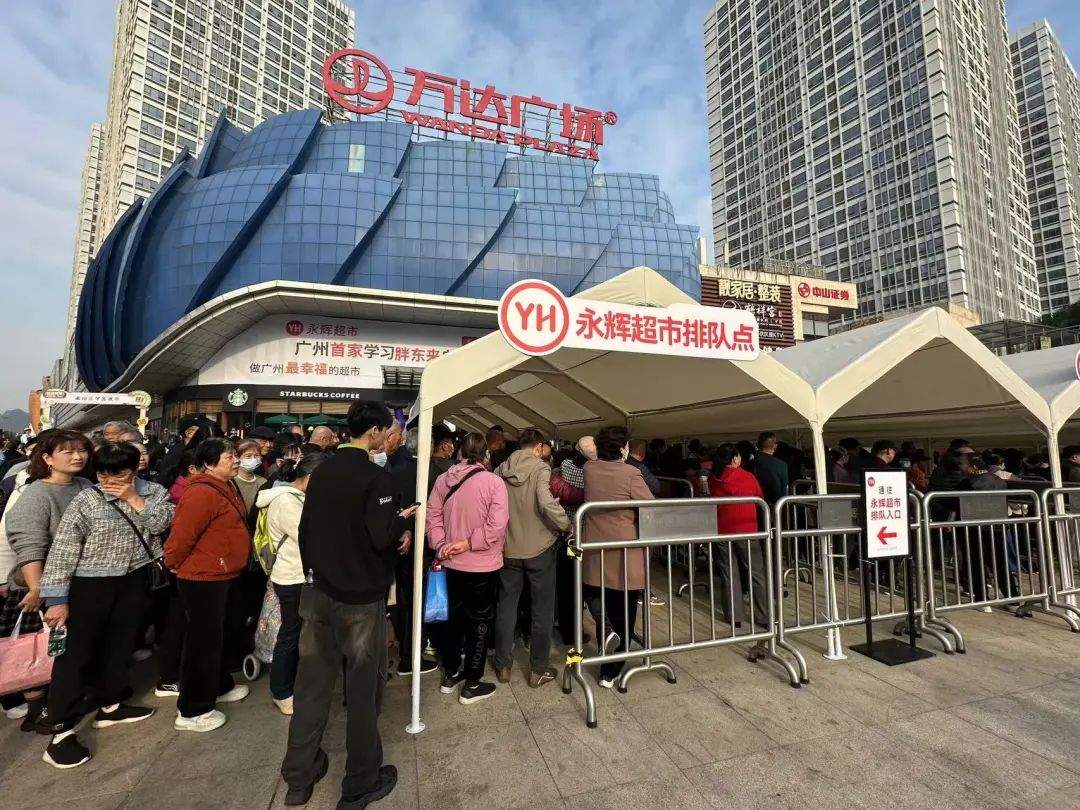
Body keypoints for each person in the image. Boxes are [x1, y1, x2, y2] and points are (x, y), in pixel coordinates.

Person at [280, 401, 402, 809]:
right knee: (363, 691)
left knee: (311, 687)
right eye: (388, 429)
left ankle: (298, 777)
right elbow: (381, 537)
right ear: (375, 432)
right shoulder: (376, 478)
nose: (390, 436)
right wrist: (401, 524)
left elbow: (306, 530)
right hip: (361, 600)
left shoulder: (322, 473)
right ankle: (361, 780)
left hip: (317, 593)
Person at [38, 443, 174, 768]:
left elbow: (161, 524)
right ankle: (61, 729)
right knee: (76, 656)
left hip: (135, 580)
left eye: (119, 473)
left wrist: (133, 498)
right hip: (89, 585)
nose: (110, 480)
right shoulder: (87, 499)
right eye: (103, 474)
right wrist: (56, 599)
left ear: (136, 469)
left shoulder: (154, 492)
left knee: (120, 645)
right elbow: (64, 548)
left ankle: (111, 703)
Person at [4, 430, 96, 731]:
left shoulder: (84, 485)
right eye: (68, 451)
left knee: (65, 648)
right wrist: (38, 588)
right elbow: (29, 545)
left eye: (82, 450)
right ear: (47, 458)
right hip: (45, 587)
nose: (78, 456)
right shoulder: (37, 494)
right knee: (42, 648)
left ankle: (63, 702)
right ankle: (41, 710)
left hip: (78, 581)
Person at [165, 438, 252, 733]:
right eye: (229, 457)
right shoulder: (201, 492)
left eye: (235, 455)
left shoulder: (226, 485)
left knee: (220, 638)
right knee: (202, 645)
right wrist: (173, 563)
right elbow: (181, 537)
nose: (236, 460)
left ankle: (218, 686)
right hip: (203, 578)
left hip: (224, 574)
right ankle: (193, 709)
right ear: (209, 463)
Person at [426, 432, 509, 703]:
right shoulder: (494, 482)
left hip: (449, 561)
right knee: (480, 623)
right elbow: (496, 526)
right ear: (486, 454)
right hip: (482, 565)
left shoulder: (442, 479)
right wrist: (468, 543)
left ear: (460, 451)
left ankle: (451, 673)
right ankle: (473, 681)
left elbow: (432, 516)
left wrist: (441, 544)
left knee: (452, 619)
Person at [493, 428, 570, 688]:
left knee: (506, 607)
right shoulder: (540, 468)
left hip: (508, 547)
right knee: (542, 610)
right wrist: (566, 524)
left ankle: (503, 665)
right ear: (538, 447)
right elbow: (546, 503)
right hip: (539, 547)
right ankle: (538, 669)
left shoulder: (501, 468)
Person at [254, 452, 328, 715]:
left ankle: (296, 682)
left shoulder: (298, 497)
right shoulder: (285, 501)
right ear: (310, 477)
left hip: (301, 575)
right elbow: (309, 536)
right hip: (291, 577)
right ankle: (282, 690)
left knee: (301, 631)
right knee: (291, 632)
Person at [581, 427, 654, 687]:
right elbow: (649, 504)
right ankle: (611, 670)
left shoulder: (589, 469)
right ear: (623, 448)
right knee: (624, 610)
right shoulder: (631, 473)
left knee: (603, 603)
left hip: (596, 548)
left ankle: (606, 659)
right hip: (624, 550)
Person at [388, 428, 438, 677]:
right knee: (420, 600)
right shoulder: (435, 473)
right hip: (426, 545)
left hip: (399, 543)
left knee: (404, 598)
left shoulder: (393, 472)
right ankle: (414, 654)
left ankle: (407, 650)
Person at [707, 443, 771, 629]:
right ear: (735, 458)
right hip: (746, 528)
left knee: (728, 572)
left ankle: (734, 615)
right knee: (756, 573)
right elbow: (759, 496)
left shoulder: (714, 478)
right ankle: (763, 615)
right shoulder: (747, 477)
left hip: (722, 529)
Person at [752, 432, 789, 504]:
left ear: (757, 445)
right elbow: (784, 490)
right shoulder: (781, 465)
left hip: (753, 504)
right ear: (775, 446)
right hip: (776, 505)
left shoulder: (748, 463)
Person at [234, 440, 268, 512]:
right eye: (248, 456)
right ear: (237, 458)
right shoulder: (231, 481)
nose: (253, 459)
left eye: (257, 455)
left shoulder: (263, 482)